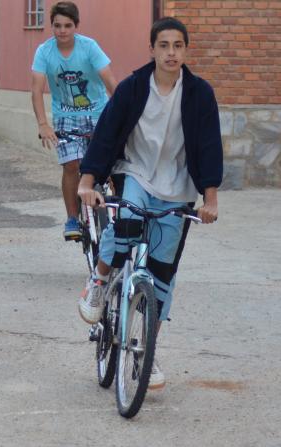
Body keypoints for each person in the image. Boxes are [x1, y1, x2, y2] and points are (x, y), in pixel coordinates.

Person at [77, 17, 222, 390]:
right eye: (164, 45)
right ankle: (100, 279)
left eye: (178, 45)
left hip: (178, 187)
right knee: (124, 226)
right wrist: (87, 181)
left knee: (162, 275)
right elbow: (107, 133)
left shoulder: (199, 94)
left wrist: (210, 198)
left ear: (185, 50)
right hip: (136, 174)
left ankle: (146, 349)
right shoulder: (133, 88)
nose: (171, 52)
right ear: (152, 50)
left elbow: (209, 144)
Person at [31, 1, 117, 240]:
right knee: (71, 165)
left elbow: (110, 82)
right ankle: (72, 218)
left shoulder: (89, 47)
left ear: (76, 26)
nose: (62, 31)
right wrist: (43, 124)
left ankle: (119, 212)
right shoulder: (44, 52)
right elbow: (36, 90)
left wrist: (122, 115)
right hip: (65, 117)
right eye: (57, 25)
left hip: (98, 113)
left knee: (111, 166)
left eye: (68, 25)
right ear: (52, 26)